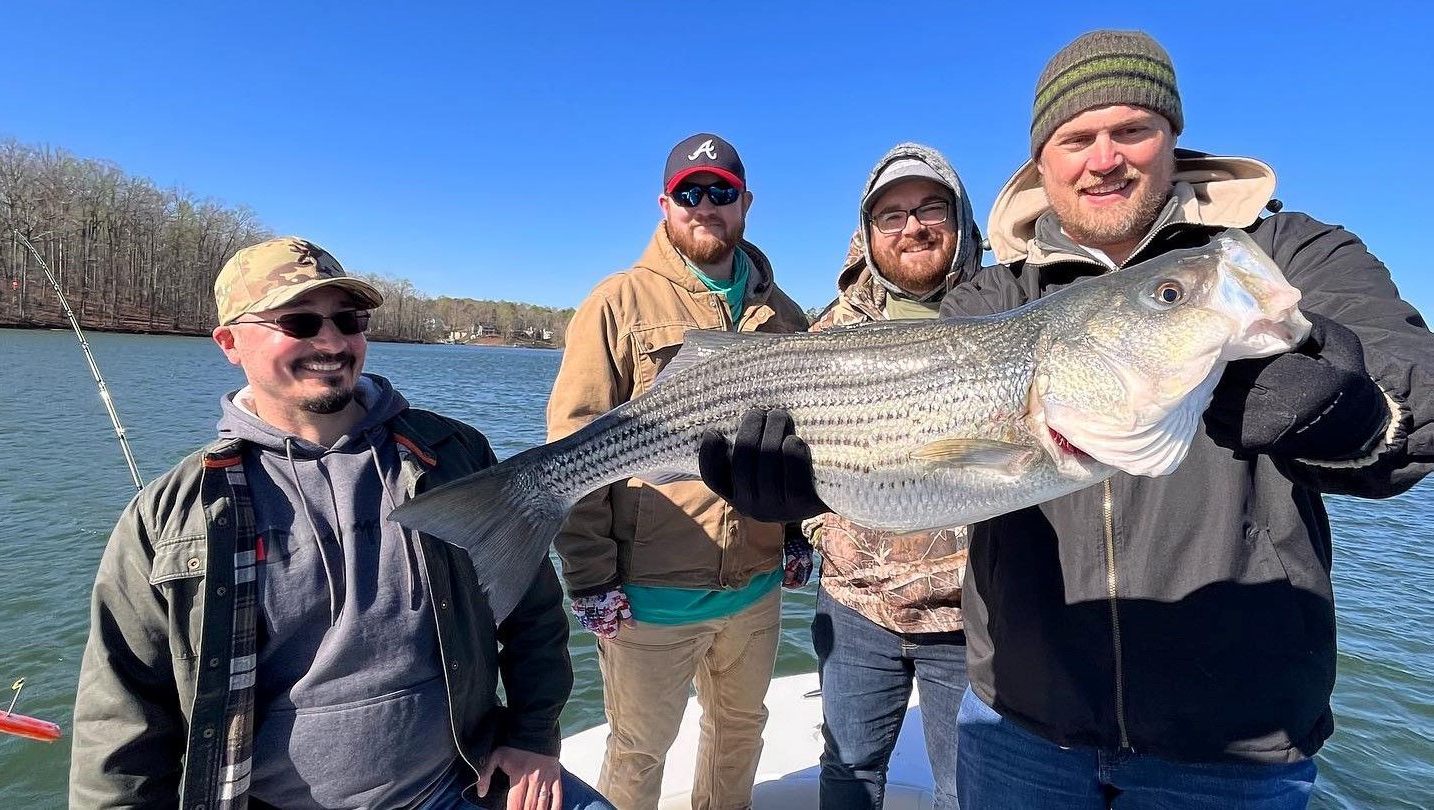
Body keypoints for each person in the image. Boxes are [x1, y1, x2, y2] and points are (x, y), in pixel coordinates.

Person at [703, 30, 1433, 809]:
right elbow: (926, 461)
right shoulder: (992, 297)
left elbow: (1415, 397)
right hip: (1021, 721)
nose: (1104, 157)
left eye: (1132, 130)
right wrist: (812, 489)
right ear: (1040, 161)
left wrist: (1355, 416)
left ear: (1173, 137)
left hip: (1229, 739)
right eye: (1075, 138)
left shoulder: (1280, 255)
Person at [69, 237, 611, 810]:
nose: (331, 341)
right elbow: (122, 718)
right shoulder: (169, 515)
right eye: (298, 322)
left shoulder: (454, 454)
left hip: (464, 780)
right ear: (229, 342)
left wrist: (531, 737)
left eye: (348, 319)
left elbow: (531, 609)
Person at [547, 133, 811, 810]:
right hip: (648, 596)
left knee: (740, 735)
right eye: (689, 193)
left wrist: (795, 534)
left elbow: (803, 445)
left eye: (720, 192)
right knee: (637, 753)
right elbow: (572, 452)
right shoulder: (615, 302)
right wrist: (590, 577)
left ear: (745, 203)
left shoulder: (786, 317)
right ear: (665, 205)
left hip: (754, 588)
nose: (705, 206)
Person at [805, 143, 980, 809]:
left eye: (931, 207)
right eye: (891, 215)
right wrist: (819, 528)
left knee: (966, 789)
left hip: (975, 613)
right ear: (867, 233)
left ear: (959, 221)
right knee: (849, 774)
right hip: (856, 606)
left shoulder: (1003, 309)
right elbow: (797, 464)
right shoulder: (827, 332)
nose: (913, 226)